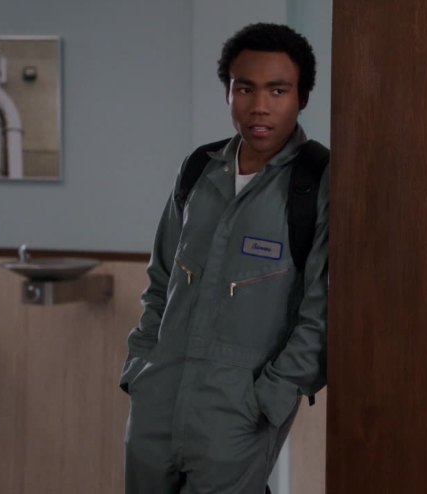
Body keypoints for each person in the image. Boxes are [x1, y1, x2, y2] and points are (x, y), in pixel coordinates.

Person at [119, 23, 329, 494]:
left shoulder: (318, 183)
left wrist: (270, 397)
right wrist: (141, 368)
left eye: (278, 90)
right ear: (228, 93)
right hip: (158, 396)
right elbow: (161, 281)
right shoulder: (199, 169)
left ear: (303, 97)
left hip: (240, 410)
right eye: (245, 88)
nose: (259, 106)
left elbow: (322, 312)